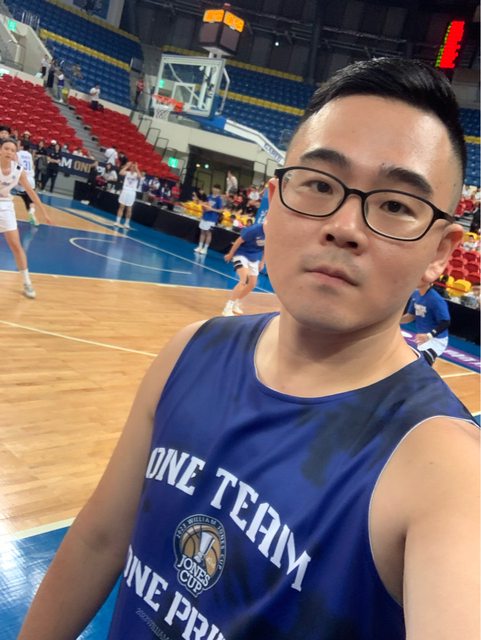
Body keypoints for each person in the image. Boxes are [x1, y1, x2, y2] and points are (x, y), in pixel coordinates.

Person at [18, 58, 479, 640]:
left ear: (440, 253)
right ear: (273, 201)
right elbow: (99, 539)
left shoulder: (448, 470)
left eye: (395, 205)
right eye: (319, 185)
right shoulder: (190, 350)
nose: (344, 226)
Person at [0, 138, 51, 298]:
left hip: (5, 206)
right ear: (0, 150)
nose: (9, 152)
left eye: (12, 150)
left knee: (16, 246)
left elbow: (30, 192)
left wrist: (44, 212)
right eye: (6, 148)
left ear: (16, 154)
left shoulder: (18, 170)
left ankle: (27, 283)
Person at [400, 283, 451, 365]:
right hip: (422, 339)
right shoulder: (416, 294)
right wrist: (395, 322)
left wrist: (429, 335)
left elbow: (445, 322)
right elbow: (411, 315)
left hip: (436, 340)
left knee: (419, 364)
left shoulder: (436, 300)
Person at [222, 221, 265, 316]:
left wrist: (262, 262)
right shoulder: (254, 230)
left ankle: (236, 302)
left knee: (252, 284)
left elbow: (267, 248)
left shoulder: (272, 233)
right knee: (244, 280)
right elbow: (238, 241)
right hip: (241, 254)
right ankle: (228, 307)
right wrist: (230, 254)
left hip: (254, 258)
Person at [194, 183, 223, 254]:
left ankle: (205, 249)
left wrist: (211, 209)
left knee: (208, 233)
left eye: (217, 189)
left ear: (219, 190)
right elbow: (205, 205)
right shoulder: (209, 196)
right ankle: (200, 247)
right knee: (202, 232)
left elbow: (221, 210)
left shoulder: (219, 199)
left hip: (212, 219)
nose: (215, 190)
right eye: (214, 188)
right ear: (212, 188)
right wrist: (203, 209)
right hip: (205, 217)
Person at [16, 140, 38, 225]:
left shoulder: (17, 154)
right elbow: (33, 166)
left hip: (22, 178)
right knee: (30, 199)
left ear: (21, 146)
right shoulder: (29, 155)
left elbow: (15, 166)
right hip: (31, 179)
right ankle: (31, 212)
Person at [114, 161, 140, 229]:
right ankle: (117, 222)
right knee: (121, 207)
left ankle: (126, 223)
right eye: (132, 167)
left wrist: (137, 168)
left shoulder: (136, 174)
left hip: (132, 193)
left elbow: (139, 177)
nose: (132, 168)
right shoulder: (127, 172)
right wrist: (127, 166)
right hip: (125, 191)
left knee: (129, 209)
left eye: (133, 167)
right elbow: (120, 172)